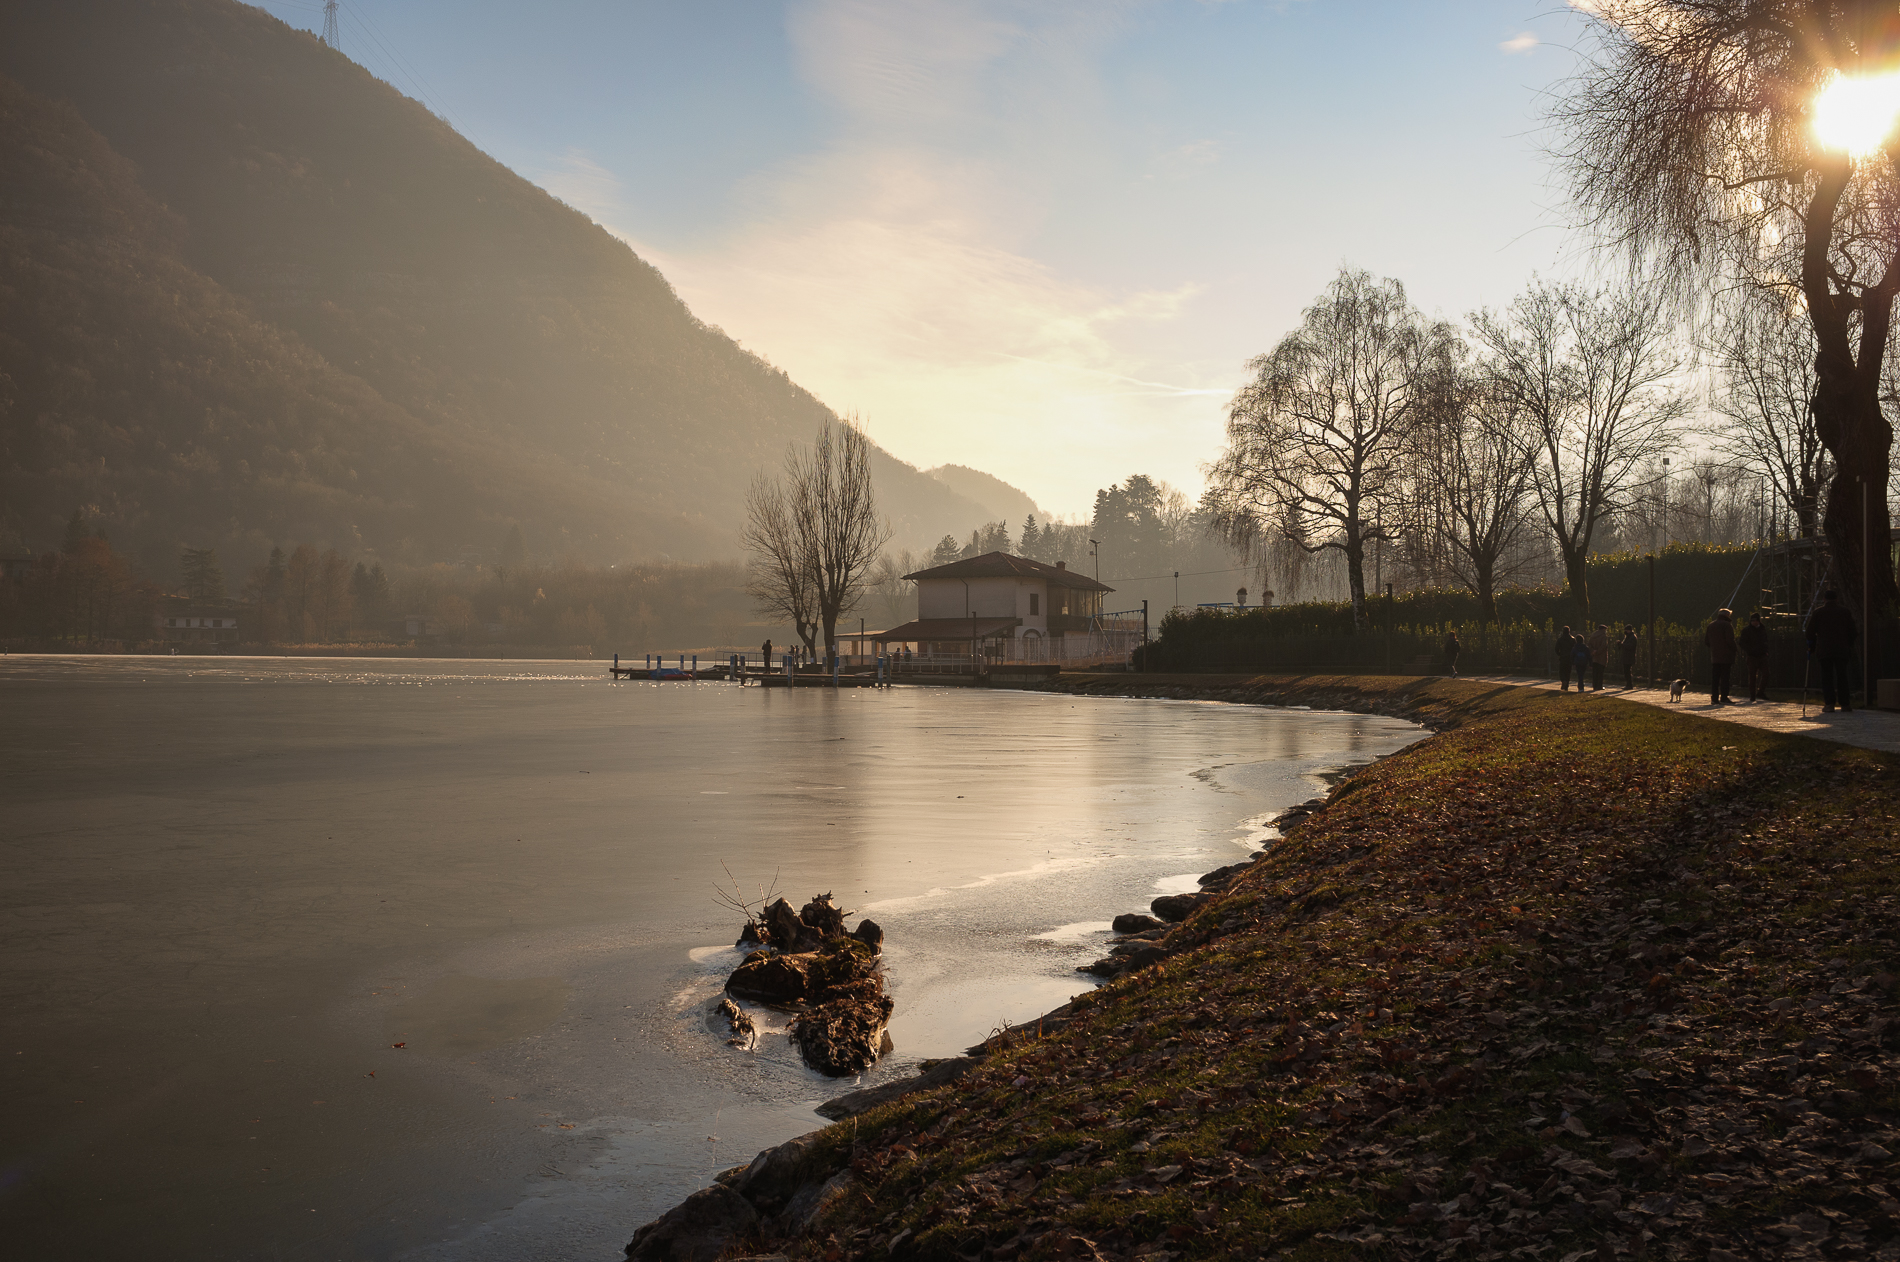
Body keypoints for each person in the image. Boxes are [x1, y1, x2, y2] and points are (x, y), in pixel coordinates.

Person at [1807, 590, 1858, 714]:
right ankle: (1845, 704)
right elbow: (1853, 631)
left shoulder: (1818, 613)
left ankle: (1829, 703)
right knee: (1842, 676)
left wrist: (1812, 647)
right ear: (1837, 599)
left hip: (1825, 649)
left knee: (1827, 676)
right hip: (1841, 649)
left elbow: (1810, 632)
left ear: (1824, 599)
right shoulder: (1845, 612)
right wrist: (1849, 644)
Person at [1704, 608, 1737, 705]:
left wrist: (1714, 647)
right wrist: (1734, 649)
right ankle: (1724, 697)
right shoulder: (1727, 625)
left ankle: (1714, 698)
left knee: (1715, 678)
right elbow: (1730, 640)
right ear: (1727, 616)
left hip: (1715, 655)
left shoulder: (1711, 625)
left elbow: (1706, 641)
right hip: (1726, 656)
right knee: (1725, 678)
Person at [1737, 613, 1768, 702]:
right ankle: (1752, 695)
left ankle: (1760, 691)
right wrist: (1749, 650)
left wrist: (1766, 651)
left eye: (1756, 620)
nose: (1754, 622)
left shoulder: (1762, 629)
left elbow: (1765, 640)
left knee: (1766, 673)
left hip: (1762, 654)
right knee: (1752, 676)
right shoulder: (1747, 630)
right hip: (1752, 656)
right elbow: (1742, 642)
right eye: (1753, 620)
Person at [1587, 623, 1610, 692]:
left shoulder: (1593, 636)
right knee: (1600, 672)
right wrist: (1597, 651)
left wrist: (1593, 651)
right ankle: (1599, 686)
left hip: (1594, 657)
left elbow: (1589, 645)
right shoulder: (1603, 636)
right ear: (1603, 629)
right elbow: (1603, 646)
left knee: (1595, 672)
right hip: (1601, 656)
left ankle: (1594, 685)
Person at [1554, 624, 1576, 691]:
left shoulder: (1560, 639)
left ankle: (1563, 680)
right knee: (1568, 672)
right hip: (1570, 657)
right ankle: (1566, 686)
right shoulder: (1572, 639)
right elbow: (1575, 648)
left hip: (1563, 657)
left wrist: (1559, 654)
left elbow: (1556, 649)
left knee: (1561, 671)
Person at [1618, 624, 1639, 690]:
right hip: (1627, 656)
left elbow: (1630, 646)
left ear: (1629, 630)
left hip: (1629, 657)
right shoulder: (1628, 637)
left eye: (1626, 630)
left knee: (1627, 671)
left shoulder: (1632, 637)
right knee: (1626, 671)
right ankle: (1628, 684)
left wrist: (1622, 644)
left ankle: (1629, 685)